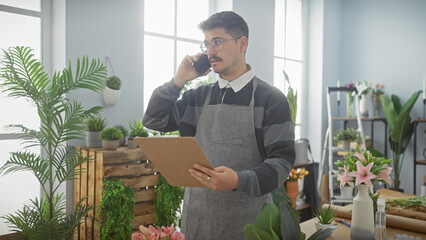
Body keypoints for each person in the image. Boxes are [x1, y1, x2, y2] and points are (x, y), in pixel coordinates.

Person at [143, 11, 295, 240]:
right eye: (206, 44)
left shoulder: (271, 99)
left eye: (218, 42)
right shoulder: (198, 97)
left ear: (242, 43)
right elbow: (154, 120)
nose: (210, 51)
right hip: (196, 221)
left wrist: (237, 180)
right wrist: (178, 81)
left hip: (249, 224)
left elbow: (282, 162)